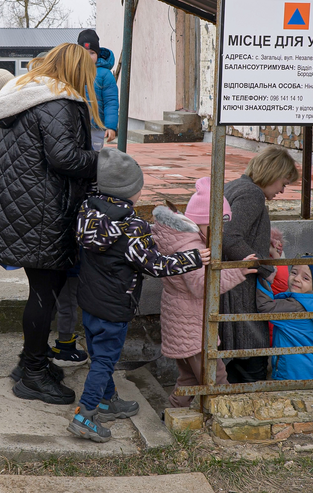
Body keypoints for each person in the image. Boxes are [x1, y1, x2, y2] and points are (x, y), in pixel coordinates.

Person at [0, 43, 100, 405]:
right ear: (76, 70)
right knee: (45, 290)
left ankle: (32, 361)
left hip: (21, 207)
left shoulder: (25, 96)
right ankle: (32, 375)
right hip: (41, 211)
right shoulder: (60, 101)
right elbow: (65, 158)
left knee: (42, 289)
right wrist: (104, 161)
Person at [68, 148, 206, 442]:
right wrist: (193, 258)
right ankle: (85, 415)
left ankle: (108, 401)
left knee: (97, 353)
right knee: (105, 360)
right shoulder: (133, 228)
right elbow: (156, 265)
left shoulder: (86, 212)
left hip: (90, 300)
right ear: (132, 191)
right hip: (116, 305)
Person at [152, 178, 253, 408]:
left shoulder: (183, 239)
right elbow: (201, 286)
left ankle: (171, 413)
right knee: (216, 378)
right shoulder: (192, 248)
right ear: (199, 222)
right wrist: (239, 272)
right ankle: (227, 416)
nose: (220, 233)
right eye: (215, 227)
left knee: (188, 378)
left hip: (182, 322)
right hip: (192, 328)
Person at [221, 145, 299, 383]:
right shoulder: (252, 194)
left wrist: (264, 247)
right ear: (272, 174)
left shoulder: (234, 186)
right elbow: (230, 238)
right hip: (240, 292)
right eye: (283, 184)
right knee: (251, 362)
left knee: (235, 360)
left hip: (229, 285)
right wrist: (267, 269)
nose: (282, 191)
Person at [257, 261, 313, 380]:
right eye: (293, 272)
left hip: (294, 375)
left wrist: (265, 280)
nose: (296, 279)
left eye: (305, 278)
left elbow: (265, 307)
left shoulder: (296, 306)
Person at [76, 29, 119, 150]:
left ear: (98, 54)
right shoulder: (73, 71)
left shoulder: (105, 74)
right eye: (84, 52)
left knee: (94, 154)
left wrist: (111, 126)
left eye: (91, 53)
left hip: (96, 126)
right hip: (75, 125)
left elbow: (111, 102)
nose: (87, 57)